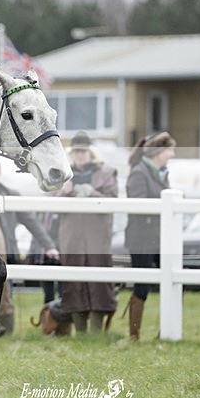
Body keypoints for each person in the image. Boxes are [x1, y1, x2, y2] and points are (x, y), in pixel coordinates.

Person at [0, 158, 59, 334]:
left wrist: (48, 245)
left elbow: (31, 222)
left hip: (5, 250)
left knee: (2, 293)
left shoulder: (10, 194)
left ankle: (6, 330)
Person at [54, 132, 119, 333]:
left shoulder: (107, 172)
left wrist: (93, 193)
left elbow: (113, 201)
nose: (80, 155)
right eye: (76, 151)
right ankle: (80, 331)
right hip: (72, 237)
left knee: (99, 281)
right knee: (73, 283)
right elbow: (52, 205)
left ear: (90, 152)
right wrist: (64, 192)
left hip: (97, 236)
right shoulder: (62, 173)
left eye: (83, 151)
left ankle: (96, 330)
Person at [124, 131, 177, 340]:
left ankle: (167, 332)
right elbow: (138, 205)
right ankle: (134, 334)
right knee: (142, 287)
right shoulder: (139, 173)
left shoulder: (160, 173)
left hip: (159, 237)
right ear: (158, 152)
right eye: (170, 150)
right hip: (142, 239)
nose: (172, 154)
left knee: (173, 281)